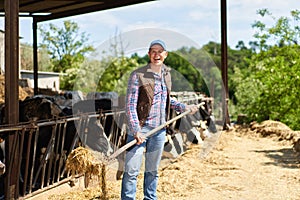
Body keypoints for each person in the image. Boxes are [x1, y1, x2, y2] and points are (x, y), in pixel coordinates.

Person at [121, 39, 198, 200]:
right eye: (153, 51)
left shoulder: (166, 75)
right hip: (140, 129)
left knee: (152, 171)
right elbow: (130, 105)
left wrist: (185, 108)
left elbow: (168, 101)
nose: (157, 54)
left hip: (159, 131)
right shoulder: (138, 75)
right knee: (131, 170)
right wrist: (136, 130)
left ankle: (150, 198)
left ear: (166, 55)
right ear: (149, 54)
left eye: (160, 51)